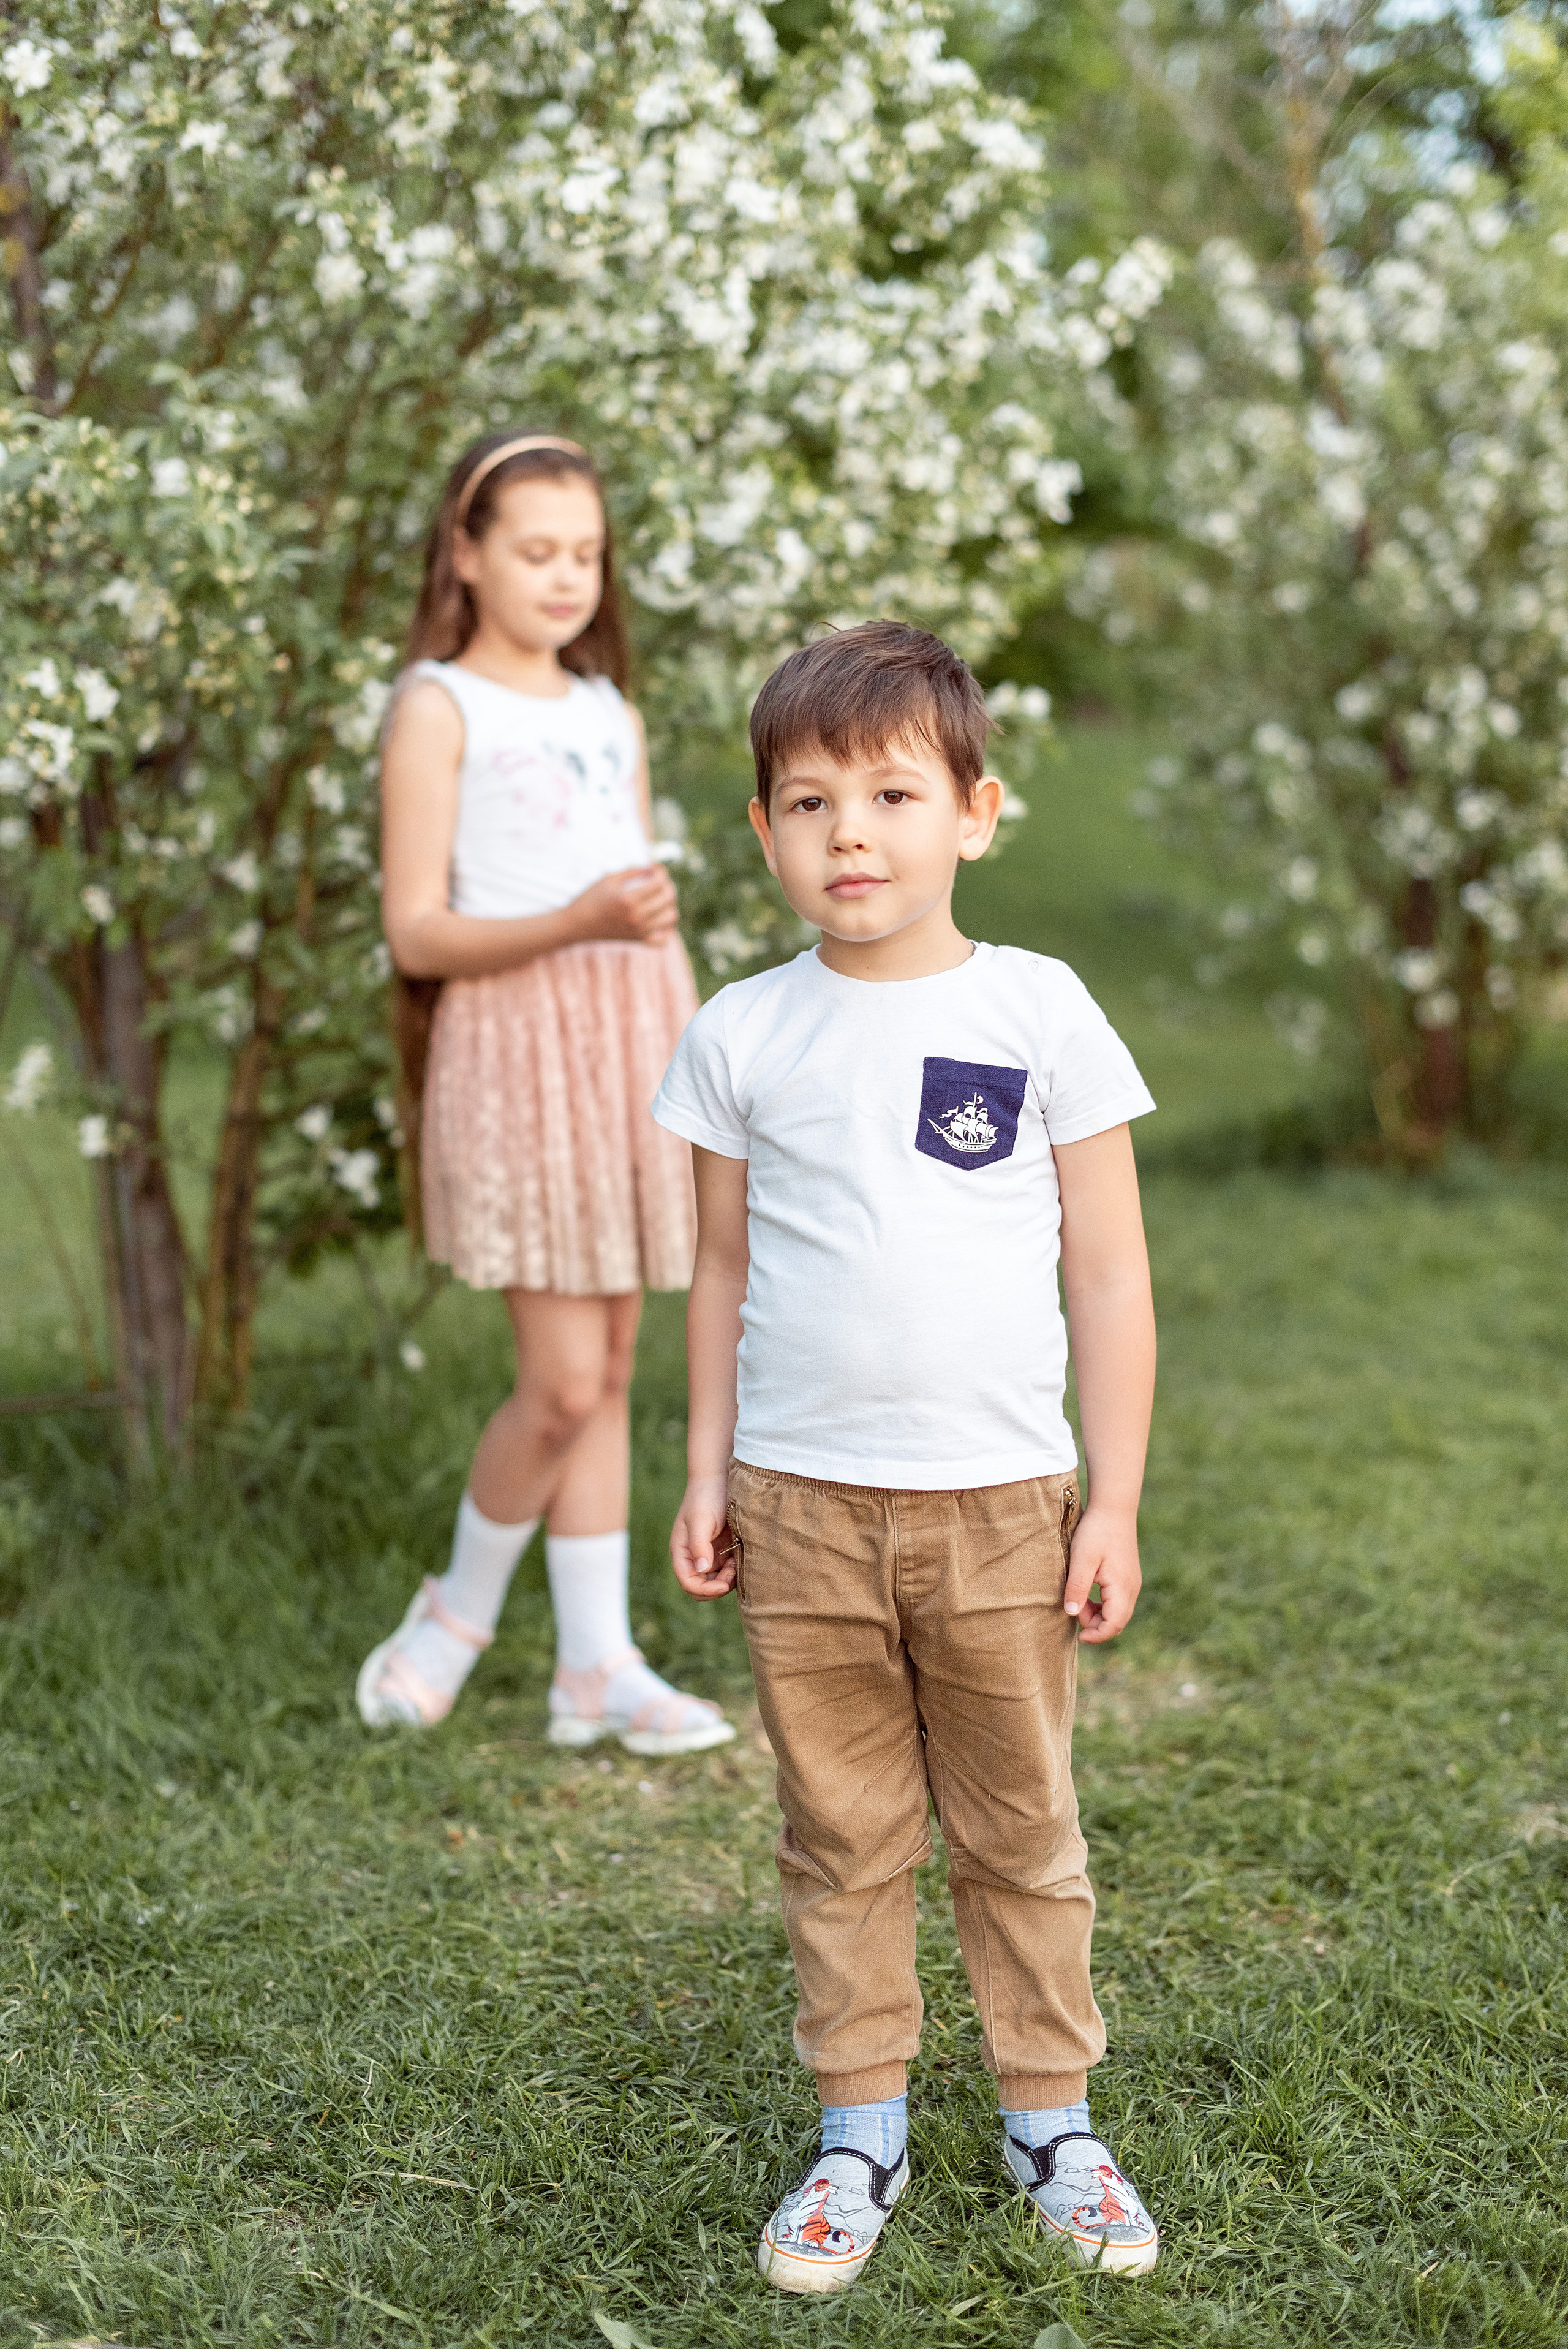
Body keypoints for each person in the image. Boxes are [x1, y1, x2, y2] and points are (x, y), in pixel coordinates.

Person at [656, 621, 1161, 2291]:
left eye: (889, 792)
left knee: (1021, 1822)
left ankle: (1051, 2120)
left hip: (1005, 1504)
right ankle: (856, 2125)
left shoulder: (1040, 1009)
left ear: (978, 810)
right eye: (807, 802)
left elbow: (1107, 1268)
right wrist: (706, 1469)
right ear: (763, 834)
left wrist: (1120, 1496)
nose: (850, 834)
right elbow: (723, 1271)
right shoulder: (743, 1030)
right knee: (842, 1824)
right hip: (802, 1507)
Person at [356, 430, 733, 1758]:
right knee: (563, 1382)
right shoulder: (437, 707)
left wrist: (699, 1060)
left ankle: (596, 1668)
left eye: (585, 553)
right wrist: (573, 919)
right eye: (534, 551)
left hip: (630, 1042)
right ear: (465, 556)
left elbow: (641, 909)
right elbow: (417, 932)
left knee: (618, 1367)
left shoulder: (603, 710)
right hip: (518, 1045)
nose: (567, 577)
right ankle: (451, 1618)